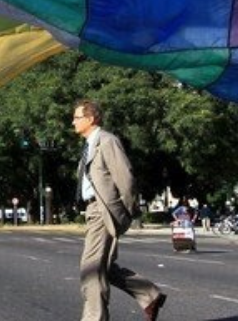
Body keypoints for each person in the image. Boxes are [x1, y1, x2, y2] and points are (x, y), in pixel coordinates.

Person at [73, 99, 166, 321]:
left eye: (76, 117)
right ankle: (149, 294)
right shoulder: (89, 145)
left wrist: (127, 211)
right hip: (92, 210)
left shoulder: (107, 141)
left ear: (91, 118)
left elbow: (125, 178)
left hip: (103, 210)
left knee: (92, 269)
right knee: (103, 267)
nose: (72, 122)